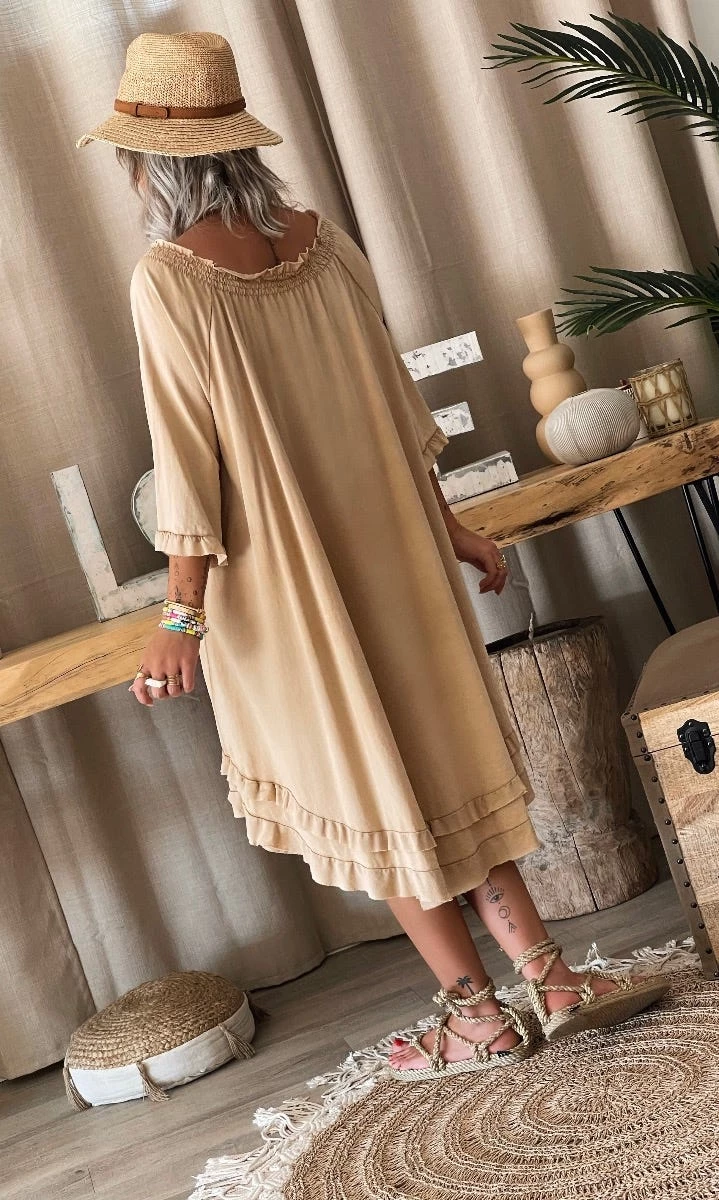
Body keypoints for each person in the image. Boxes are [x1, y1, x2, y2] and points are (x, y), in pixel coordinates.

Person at [77, 31, 668, 1082]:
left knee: (367, 786)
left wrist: (179, 617)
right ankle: (553, 981)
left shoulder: (166, 278)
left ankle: (476, 1016)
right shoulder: (325, 242)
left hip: (284, 587)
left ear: (148, 164)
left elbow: (187, 457)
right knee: (437, 765)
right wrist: (447, 529)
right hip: (394, 560)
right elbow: (397, 416)